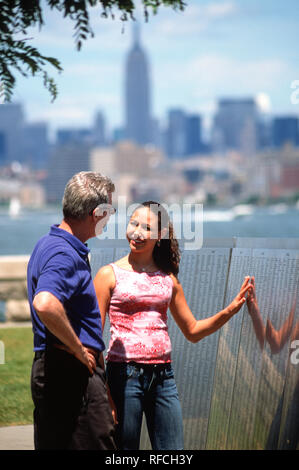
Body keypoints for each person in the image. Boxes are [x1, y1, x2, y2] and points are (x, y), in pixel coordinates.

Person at [93, 201, 252, 450]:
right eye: (133, 223)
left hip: (164, 378)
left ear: (161, 235)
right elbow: (93, 338)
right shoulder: (107, 275)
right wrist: (106, 395)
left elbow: (193, 331)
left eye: (146, 227)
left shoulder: (169, 280)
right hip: (123, 376)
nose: (136, 232)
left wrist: (231, 309)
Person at [27, 171, 117, 450]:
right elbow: (45, 303)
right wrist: (78, 348)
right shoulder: (64, 254)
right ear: (96, 213)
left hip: (53, 367)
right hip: (70, 373)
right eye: (110, 210)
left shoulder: (48, 243)